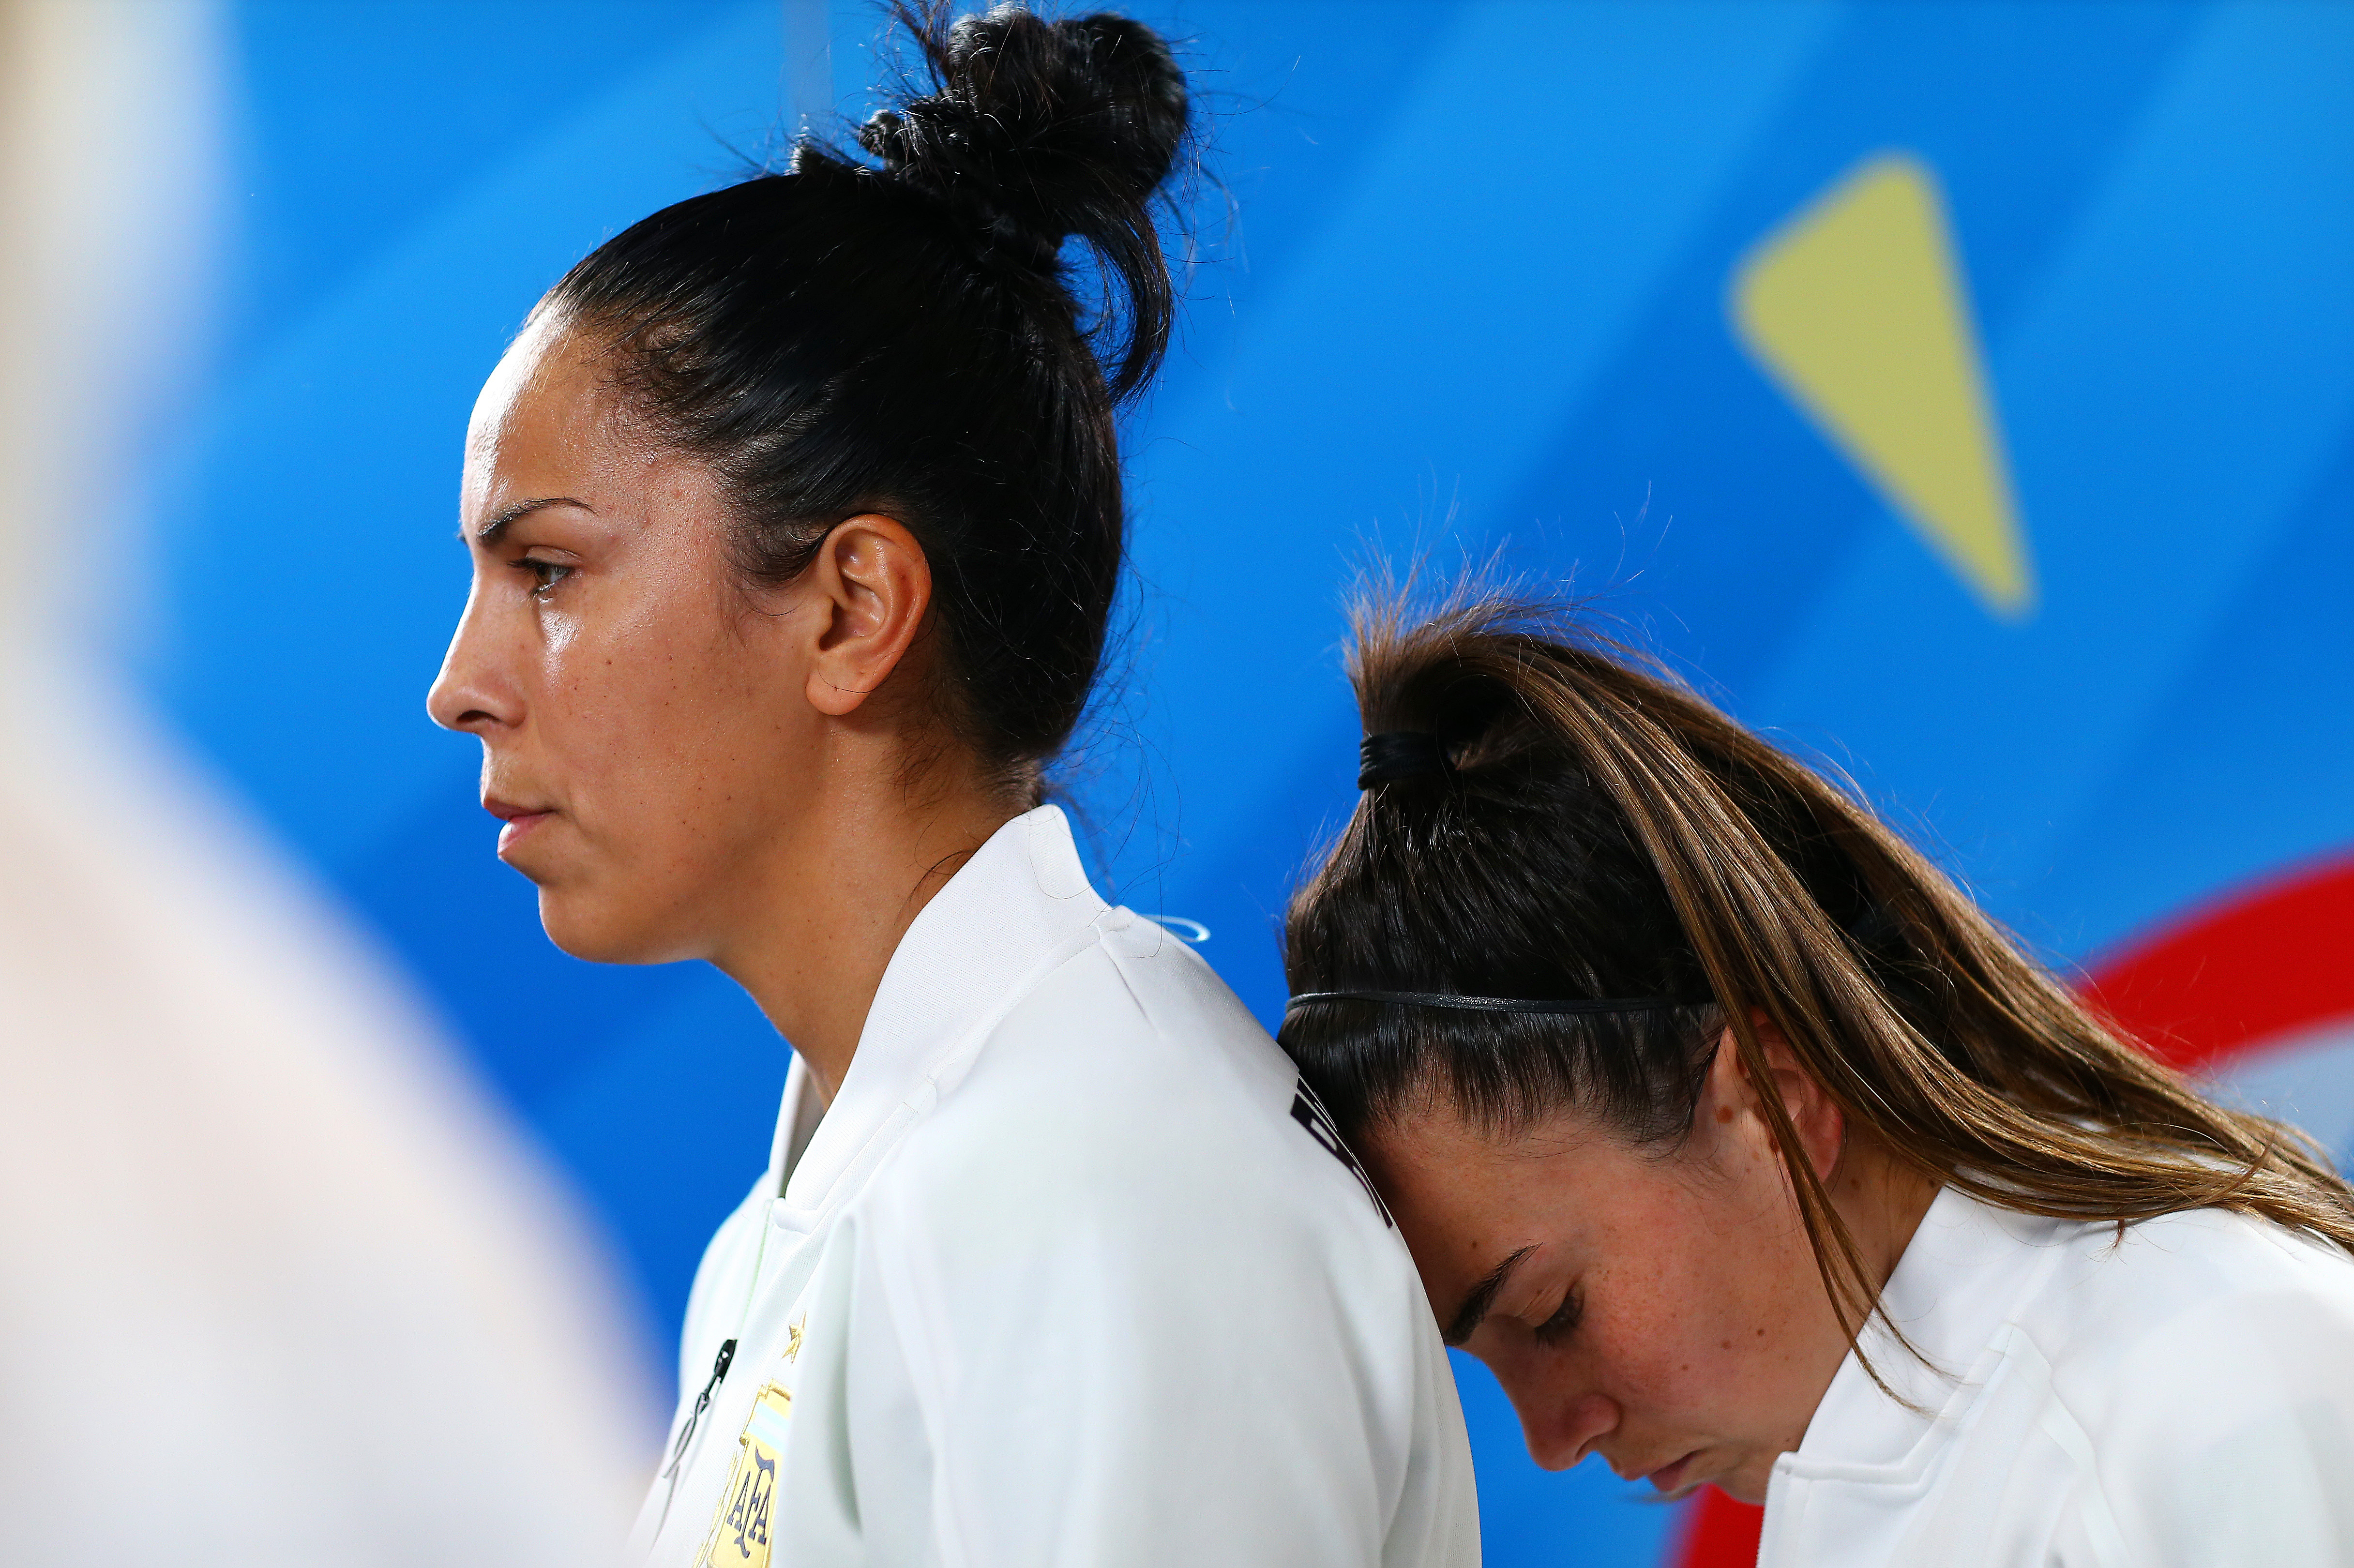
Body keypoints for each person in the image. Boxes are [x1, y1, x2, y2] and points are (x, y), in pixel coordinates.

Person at [426, 7, 1479, 1565]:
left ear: (852, 610)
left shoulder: (1109, 1184)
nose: (460, 683)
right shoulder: (821, 1219)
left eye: (550, 571)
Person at [1277, 588, 2354, 1567]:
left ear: (1773, 1099)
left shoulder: (2201, 1386)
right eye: (1484, 1361)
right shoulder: (1936, 1456)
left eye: (1553, 1312)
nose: (1552, 1438)